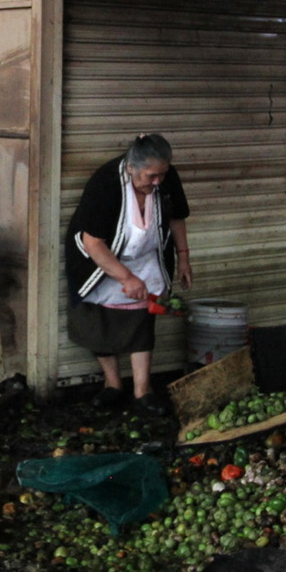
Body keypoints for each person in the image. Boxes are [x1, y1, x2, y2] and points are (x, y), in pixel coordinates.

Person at [65, 134, 193, 416]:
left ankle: (142, 390)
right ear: (132, 168)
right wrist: (125, 277)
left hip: (146, 256)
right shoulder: (106, 183)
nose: (158, 181)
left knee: (140, 321)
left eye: (162, 174)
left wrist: (183, 257)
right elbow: (92, 242)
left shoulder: (166, 177)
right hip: (100, 258)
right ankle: (112, 385)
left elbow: (176, 217)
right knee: (99, 321)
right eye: (151, 176)